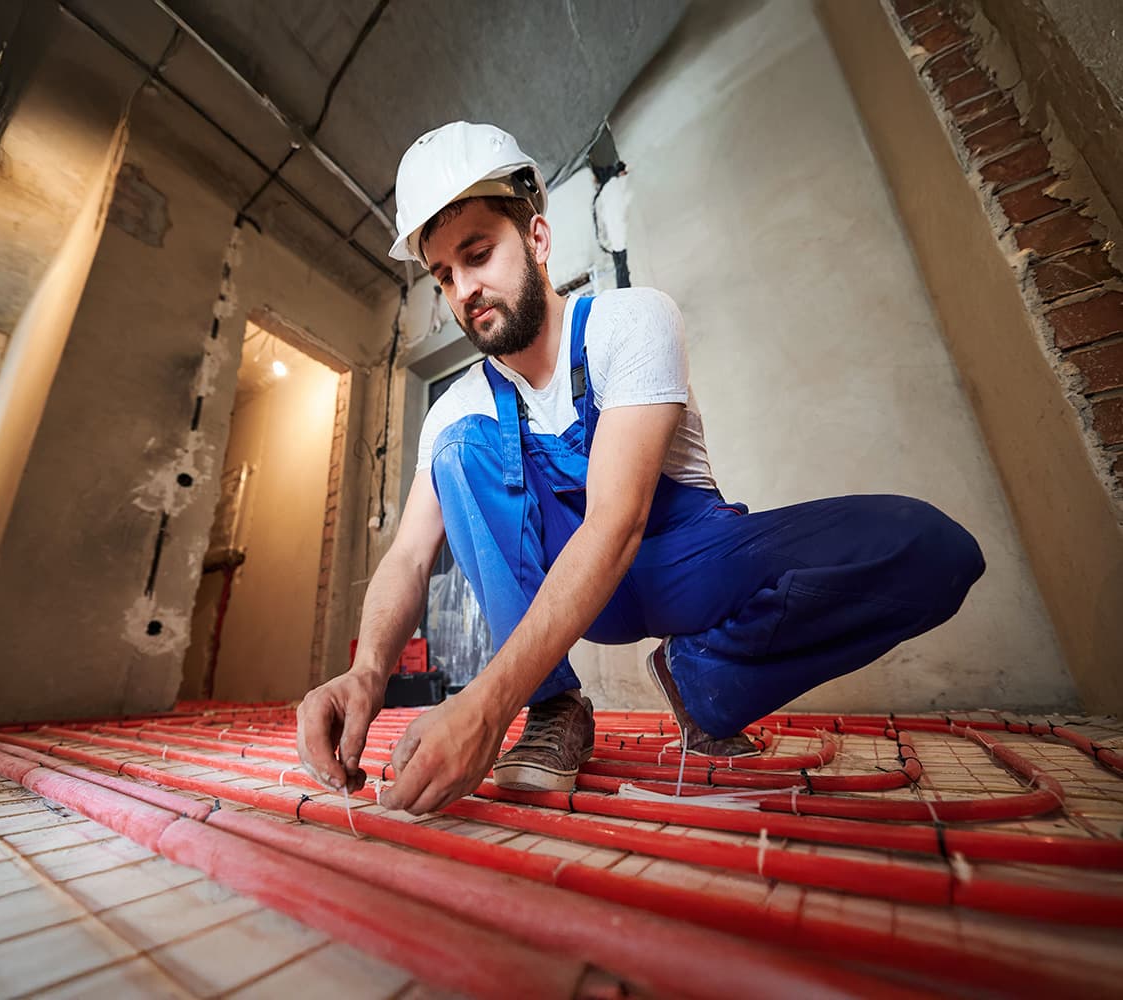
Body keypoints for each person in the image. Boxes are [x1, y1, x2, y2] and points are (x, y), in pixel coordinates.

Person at [296, 121, 985, 816]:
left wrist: (482, 705)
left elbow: (617, 523)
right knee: (456, 448)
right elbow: (411, 558)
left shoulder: (631, 323)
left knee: (932, 550)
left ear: (537, 239)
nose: (463, 289)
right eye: (444, 274)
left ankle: (704, 679)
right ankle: (553, 707)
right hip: (565, 590)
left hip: (682, 564)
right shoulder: (459, 412)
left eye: (477, 254)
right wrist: (366, 672)